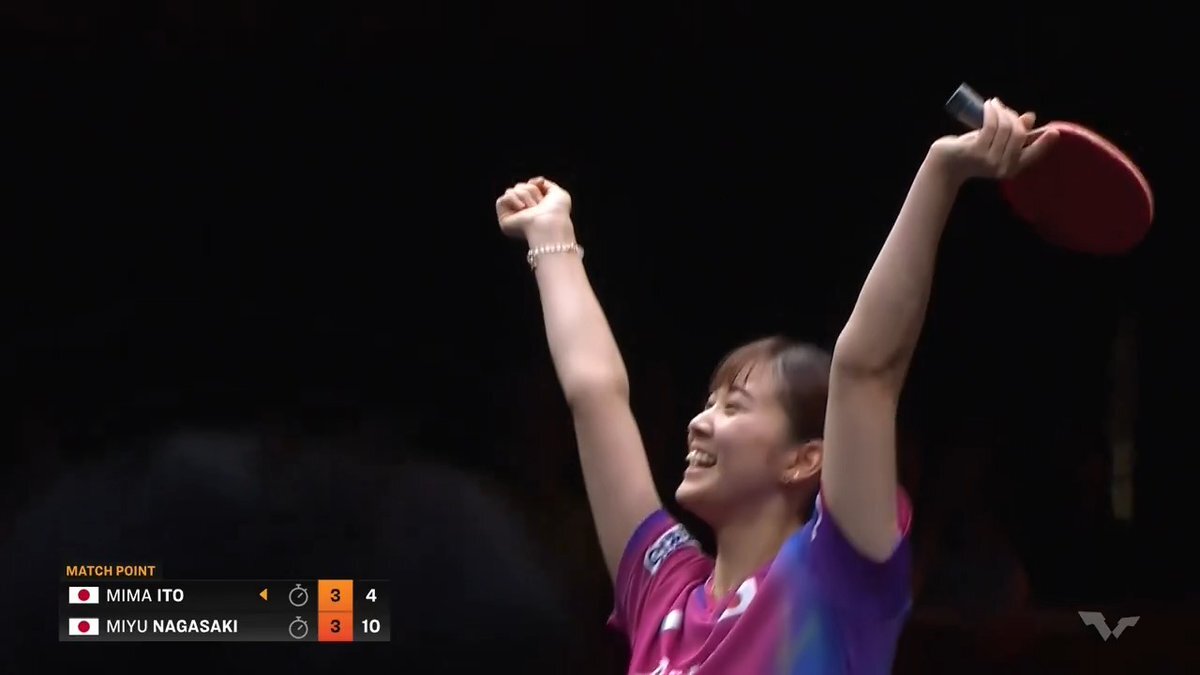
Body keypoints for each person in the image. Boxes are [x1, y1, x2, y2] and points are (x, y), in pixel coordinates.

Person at [494, 98, 1057, 674]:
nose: (698, 422)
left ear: (804, 459)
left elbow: (865, 371)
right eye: (708, 404)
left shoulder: (836, 572)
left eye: (733, 407)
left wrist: (941, 171)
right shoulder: (662, 588)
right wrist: (551, 234)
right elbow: (596, 396)